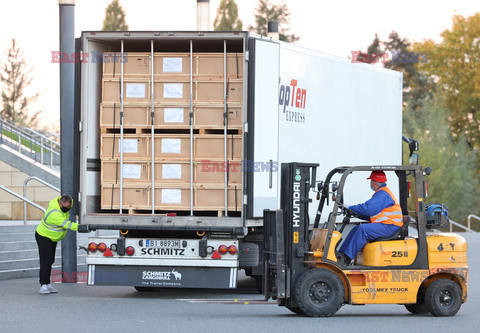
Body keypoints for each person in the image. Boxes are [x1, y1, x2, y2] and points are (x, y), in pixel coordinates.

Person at [336, 171, 403, 266]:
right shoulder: (382, 193)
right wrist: (353, 212)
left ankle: (345, 259)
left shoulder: (383, 194)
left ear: (375, 181)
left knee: (363, 230)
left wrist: (350, 207)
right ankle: (341, 254)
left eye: (371, 181)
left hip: (390, 226)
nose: (370, 183)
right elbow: (370, 213)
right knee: (357, 228)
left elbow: (367, 209)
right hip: (386, 225)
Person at [35, 194, 78, 294]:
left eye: (69, 207)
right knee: (45, 261)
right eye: (67, 207)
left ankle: (47, 283)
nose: (68, 209)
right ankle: (43, 285)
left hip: (51, 238)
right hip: (44, 236)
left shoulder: (61, 206)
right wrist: (81, 227)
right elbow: (67, 224)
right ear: (60, 204)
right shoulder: (54, 213)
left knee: (50, 260)